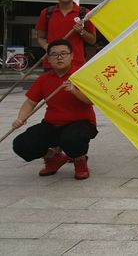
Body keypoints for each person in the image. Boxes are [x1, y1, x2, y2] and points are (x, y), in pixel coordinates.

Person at [11, 39, 97, 180]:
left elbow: (91, 100)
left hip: (81, 123)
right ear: (48, 59)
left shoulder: (80, 76)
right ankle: (54, 158)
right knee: (21, 144)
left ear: (72, 56)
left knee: (72, 139)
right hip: (52, 124)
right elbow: (30, 103)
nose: (59, 57)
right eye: (55, 54)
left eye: (64, 53)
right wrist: (20, 118)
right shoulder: (44, 79)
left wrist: (74, 91)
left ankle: (80, 161)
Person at [36, 0, 97, 68]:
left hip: (76, 64)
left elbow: (92, 40)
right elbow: (40, 37)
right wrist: (48, 48)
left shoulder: (85, 14)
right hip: (51, 64)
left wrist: (81, 31)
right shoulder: (46, 13)